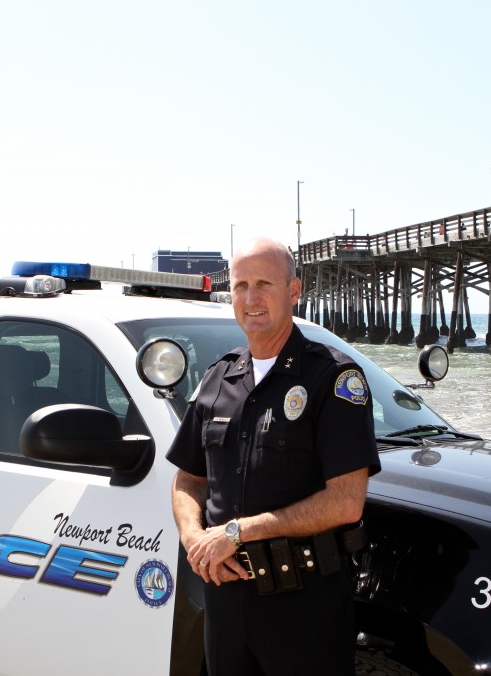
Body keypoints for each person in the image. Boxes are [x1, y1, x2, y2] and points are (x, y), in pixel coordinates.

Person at [167, 236, 380, 675]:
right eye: (241, 285)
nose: (251, 298)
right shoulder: (218, 378)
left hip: (304, 605)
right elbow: (188, 478)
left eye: (264, 283)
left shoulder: (332, 377)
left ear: (294, 290)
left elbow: (345, 500)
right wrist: (194, 539)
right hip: (225, 599)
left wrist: (238, 531)